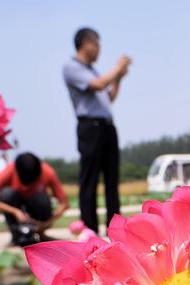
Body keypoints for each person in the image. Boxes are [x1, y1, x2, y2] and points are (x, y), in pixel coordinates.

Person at [63, 27, 131, 234]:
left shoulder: (93, 71)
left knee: (112, 181)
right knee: (89, 181)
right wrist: (117, 67)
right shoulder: (72, 68)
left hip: (107, 127)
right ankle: (89, 229)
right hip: (90, 128)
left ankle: (115, 228)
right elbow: (100, 85)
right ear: (86, 43)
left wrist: (118, 78)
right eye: (97, 44)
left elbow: (108, 98)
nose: (99, 50)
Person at [0, 152, 70, 247]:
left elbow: (65, 203)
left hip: (36, 207)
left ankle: (41, 234)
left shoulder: (47, 171)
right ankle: (16, 235)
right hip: (16, 206)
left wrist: (48, 222)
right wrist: (15, 211)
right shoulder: (10, 169)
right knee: (7, 194)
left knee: (42, 198)